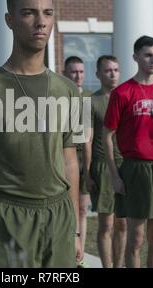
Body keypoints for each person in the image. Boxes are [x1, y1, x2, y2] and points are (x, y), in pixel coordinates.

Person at [0, 0, 83, 268]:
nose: (41, 22)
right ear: (9, 20)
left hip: (59, 219)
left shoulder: (68, 90)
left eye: (48, 13)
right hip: (7, 219)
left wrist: (75, 229)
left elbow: (71, 162)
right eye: (29, 13)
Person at [103, 36, 153, 268]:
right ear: (135, 57)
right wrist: (114, 176)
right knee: (135, 240)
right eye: (147, 55)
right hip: (135, 169)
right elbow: (106, 136)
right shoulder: (122, 93)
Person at [84, 55, 127, 268]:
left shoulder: (126, 96)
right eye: (108, 70)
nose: (113, 74)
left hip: (126, 166)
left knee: (123, 224)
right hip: (102, 168)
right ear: (98, 74)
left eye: (116, 70)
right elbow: (87, 140)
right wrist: (87, 172)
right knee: (106, 224)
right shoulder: (90, 102)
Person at [63, 55, 92, 267]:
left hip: (83, 158)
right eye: (73, 71)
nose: (78, 76)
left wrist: (89, 169)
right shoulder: (59, 97)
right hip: (64, 157)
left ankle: (79, 254)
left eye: (81, 72)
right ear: (65, 73)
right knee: (66, 207)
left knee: (82, 209)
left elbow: (88, 138)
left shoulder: (87, 99)